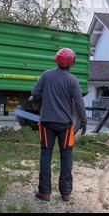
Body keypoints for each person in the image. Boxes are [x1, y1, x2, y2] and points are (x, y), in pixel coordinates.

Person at [31, 47, 87, 202]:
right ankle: (66, 193)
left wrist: (41, 101)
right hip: (66, 125)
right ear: (71, 63)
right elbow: (79, 104)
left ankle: (44, 192)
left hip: (46, 123)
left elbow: (34, 93)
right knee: (67, 156)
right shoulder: (72, 80)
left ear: (57, 60)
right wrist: (84, 121)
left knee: (45, 155)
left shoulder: (46, 75)